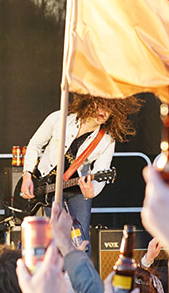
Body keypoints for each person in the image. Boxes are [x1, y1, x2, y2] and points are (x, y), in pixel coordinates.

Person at [20, 94, 142, 252]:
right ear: (89, 102)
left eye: (109, 108)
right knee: (58, 237)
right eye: (100, 105)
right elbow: (35, 145)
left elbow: (101, 172)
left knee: (81, 240)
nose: (103, 111)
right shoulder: (59, 118)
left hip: (77, 189)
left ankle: (81, 267)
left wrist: (92, 191)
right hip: (48, 185)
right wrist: (27, 175)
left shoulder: (107, 139)